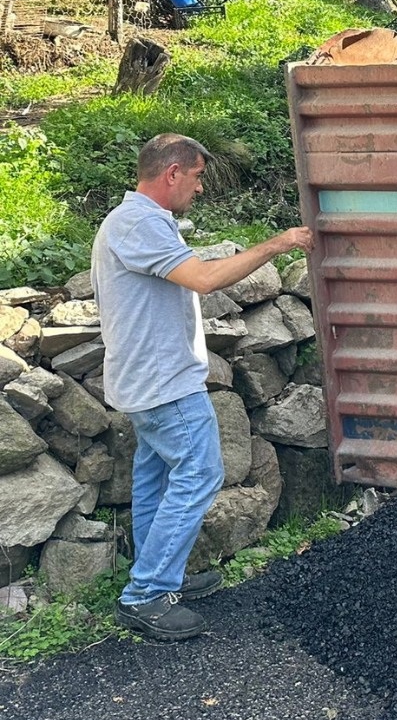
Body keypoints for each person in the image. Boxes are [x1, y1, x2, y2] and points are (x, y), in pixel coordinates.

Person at [92, 133, 313, 641]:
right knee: (200, 473)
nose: (198, 188)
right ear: (172, 173)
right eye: (196, 177)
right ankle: (147, 593)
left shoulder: (136, 222)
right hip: (163, 381)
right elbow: (205, 279)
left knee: (156, 482)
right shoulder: (139, 222)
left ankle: (159, 581)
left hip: (145, 379)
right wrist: (279, 243)